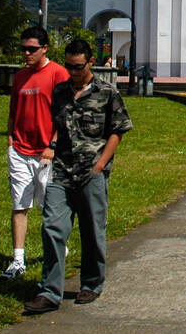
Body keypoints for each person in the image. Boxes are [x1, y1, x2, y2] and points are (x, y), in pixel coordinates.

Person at [25, 38, 132, 314]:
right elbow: (58, 124)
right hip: (62, 171)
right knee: (52, 227)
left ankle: (91, 283)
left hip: (91, 172)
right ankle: (49, 291)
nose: (73, 72)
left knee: (92, 231)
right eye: (69, 66)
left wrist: (100, 166)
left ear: (90, 63)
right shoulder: (60, 92)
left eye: (78, 67)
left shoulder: (106, 92)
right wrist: (51, 145)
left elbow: (117, 130)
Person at [2, 26, 69, 279]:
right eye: (23, 49)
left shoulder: (58, 74)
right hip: (20, 149)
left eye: (32, 49)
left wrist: (52, 144)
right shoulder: (20, 77)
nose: (27, 53)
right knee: (19, 204)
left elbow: (64, 113)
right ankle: (18, 259)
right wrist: (10, 140)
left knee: (48, 206)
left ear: (45, 49)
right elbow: (13, 111)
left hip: (46, 152)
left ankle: (56, 249)